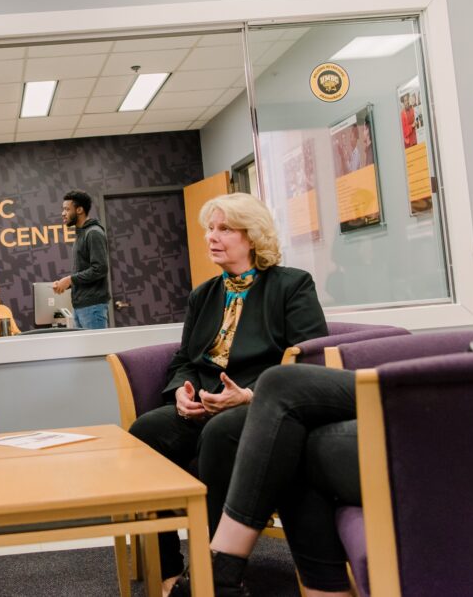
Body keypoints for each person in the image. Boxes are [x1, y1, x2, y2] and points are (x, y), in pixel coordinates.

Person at [171, 80, 473, 597]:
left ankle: (219, 570)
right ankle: (227, 571)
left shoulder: (288, 283)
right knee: (282, 389)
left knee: (284, 426)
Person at [125, 192, 328, 596]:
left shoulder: (291, 285)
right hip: (203, 403)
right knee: (144, 433)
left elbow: (312, 359)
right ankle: (168, 566)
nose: (211, 237)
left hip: (261, 405)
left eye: (224, 229)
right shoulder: (204, 295)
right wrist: (180, 394)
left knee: (219, 435)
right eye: (210, 229)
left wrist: (250, 395)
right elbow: (184, 358)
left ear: (251, 237)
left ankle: (220, 570)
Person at [53, 189, 110, 329]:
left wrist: (70, 280)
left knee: (96, 351)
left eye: (67, 209)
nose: (63, 213)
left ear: (79, 210)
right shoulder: (81, 234)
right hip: (81, 307)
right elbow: (86, 271)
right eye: (63, 209)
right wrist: (66, 283)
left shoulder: (93, 233)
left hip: (92, 307)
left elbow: (100, 269)